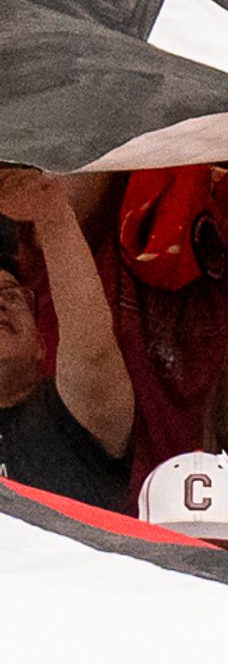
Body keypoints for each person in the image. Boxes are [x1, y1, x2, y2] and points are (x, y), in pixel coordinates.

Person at [0, 163, 135, 508]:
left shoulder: (71, 413)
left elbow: (93, 351)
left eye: (12, 293)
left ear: (42, 345)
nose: (0, 305)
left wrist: (50, 210)